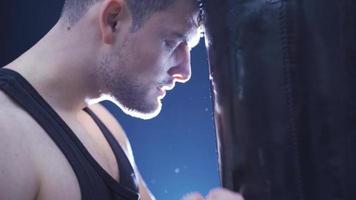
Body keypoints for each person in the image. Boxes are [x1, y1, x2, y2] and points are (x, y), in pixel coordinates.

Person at [0, 0, 243, 199]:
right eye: (172, 43)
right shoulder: (6, 135)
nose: (184, 72)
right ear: (113, 20)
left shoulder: (106, 127)